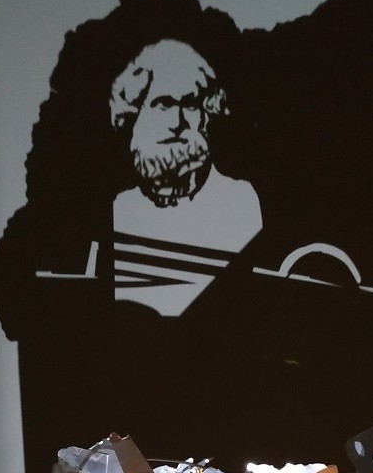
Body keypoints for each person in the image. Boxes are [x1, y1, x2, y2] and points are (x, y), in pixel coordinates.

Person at [109, 39, 262, 316]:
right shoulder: (121, 207)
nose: (177, 122)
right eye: (164, 104)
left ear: (207, 114)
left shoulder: (240, 200)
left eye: (190, 104)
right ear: (136, 113)